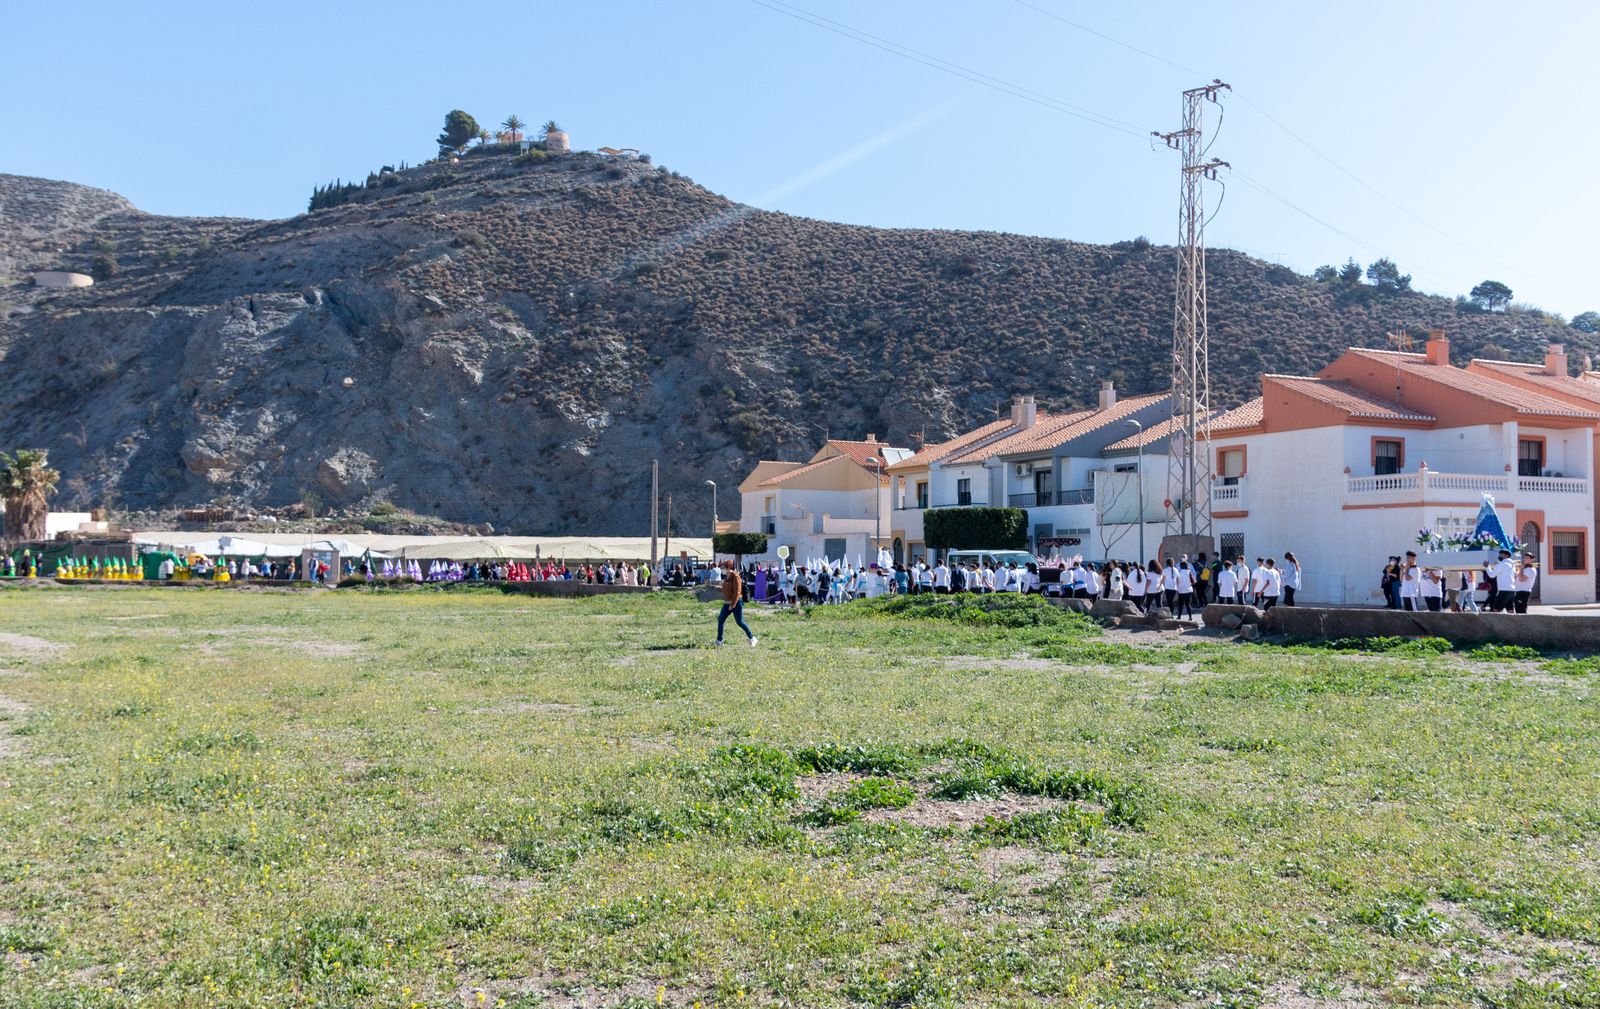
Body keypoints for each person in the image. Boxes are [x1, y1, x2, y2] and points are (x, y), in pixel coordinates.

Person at [715, 562, 757, 646]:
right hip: (727, 602)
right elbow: (725, 588)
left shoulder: (735, 576)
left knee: (740, 622)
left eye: (722, 567)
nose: (721, 569)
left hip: (736, 603)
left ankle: (752, 638)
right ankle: (719, 641)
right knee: (720, 620)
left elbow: (738, 592)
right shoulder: (726, 576)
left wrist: (733, 605)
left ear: (728, 567)